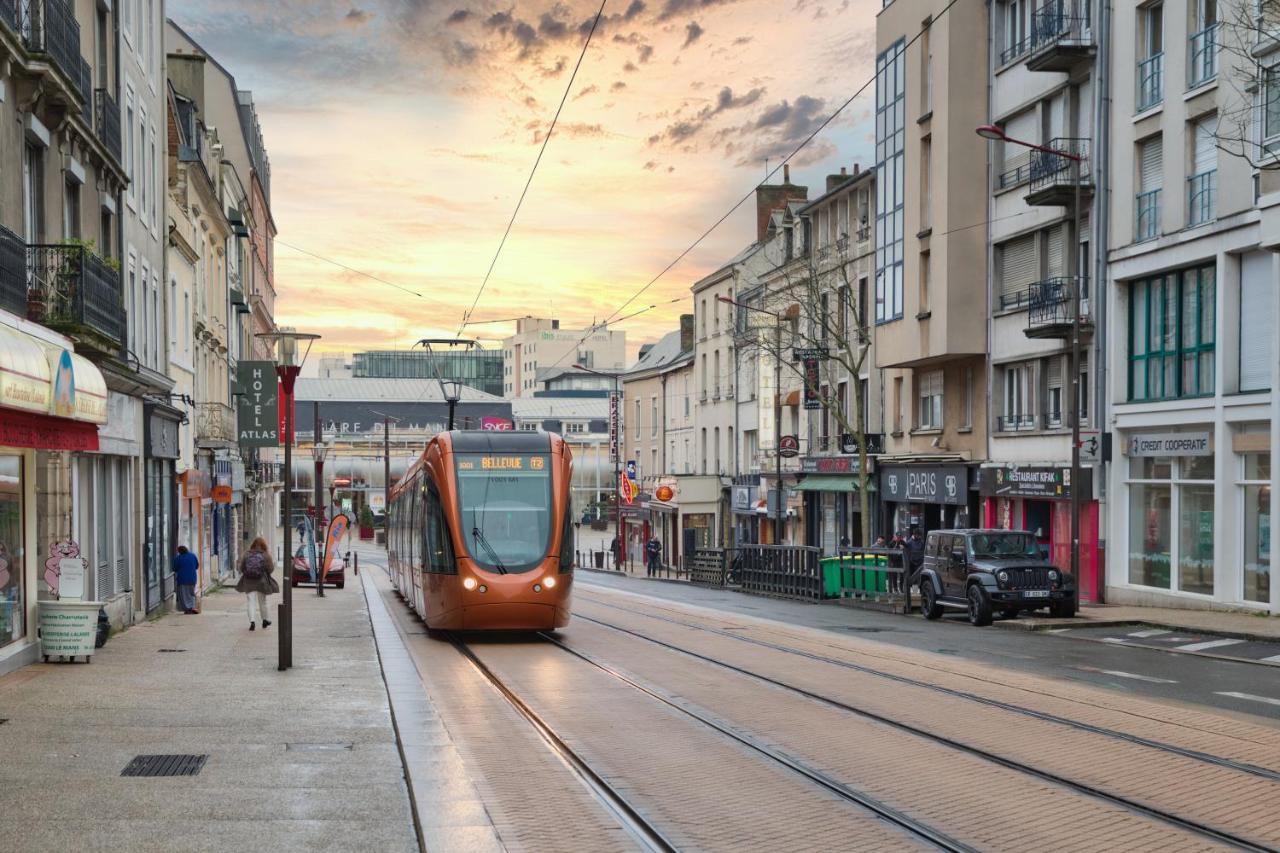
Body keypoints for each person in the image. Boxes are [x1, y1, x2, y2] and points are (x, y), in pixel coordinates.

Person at [236, 537, 280, 632]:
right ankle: (265, 620)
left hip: (248, 581)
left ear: (253, 544)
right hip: (261, 581)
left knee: (250, 602)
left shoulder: (246, 554)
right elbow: (271, 569)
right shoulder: (265, 555)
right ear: (263, 545)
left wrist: (247, 572)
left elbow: (241, 568)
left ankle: (252, 622)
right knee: (262, 602)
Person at [172, 546, 199, 614]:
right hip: (192, 578)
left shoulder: (178, 558)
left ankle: (187, 609)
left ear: (180, 551)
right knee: (191, 593)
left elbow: (174, 568)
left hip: (182, 579)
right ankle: (192, 607)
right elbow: (197, 566)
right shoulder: (193, 555)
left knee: (184, 595)